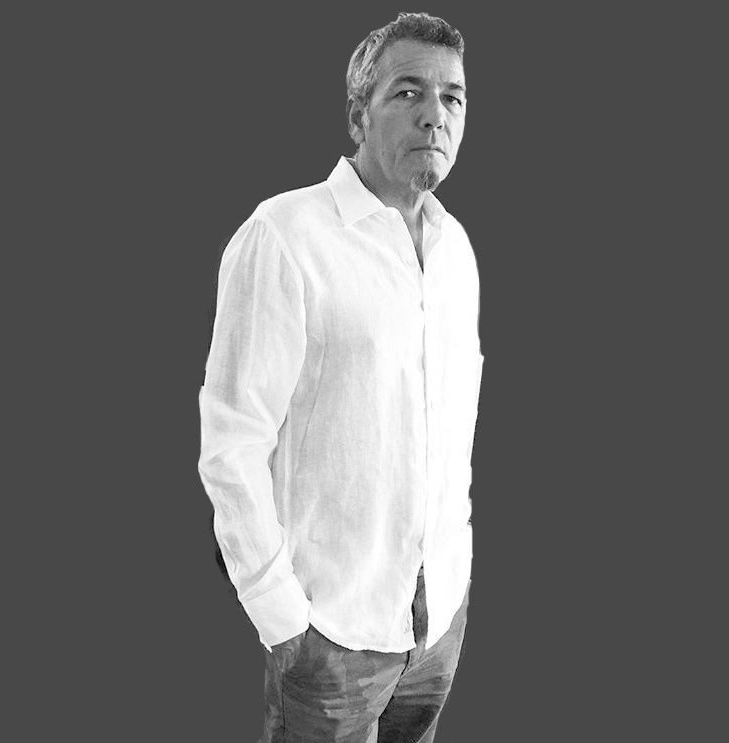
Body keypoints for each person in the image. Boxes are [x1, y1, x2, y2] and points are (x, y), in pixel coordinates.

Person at [199, 12, 484, 742]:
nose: (435, 115)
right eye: (408, 92)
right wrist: (280, 612)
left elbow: (450, 429)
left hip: (436, 623)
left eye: (452, 97)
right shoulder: (286, 236)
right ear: (358, 113)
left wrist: (454, 574)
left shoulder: (456, 251)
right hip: (329, 629)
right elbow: (232, 443)